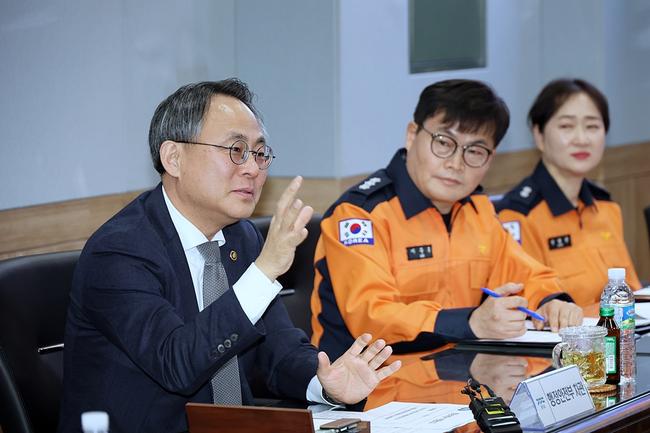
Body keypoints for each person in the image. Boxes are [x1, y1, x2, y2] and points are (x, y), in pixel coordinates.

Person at [58, 79, 401, 433]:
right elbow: (176, 363)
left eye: (259, 153)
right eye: (236, 150)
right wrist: (263, 272)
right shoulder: (119, 251)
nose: (253, 168)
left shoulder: (241, 235)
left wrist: (324, 384)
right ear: (174, 158)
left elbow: (277, 349)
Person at [310, 79, 583, 360]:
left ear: (490, 159)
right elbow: (371, 317)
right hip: (368, 380)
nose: (455, 163)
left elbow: (524, 275)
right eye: (443, 143)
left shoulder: (477, 210)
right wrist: (470, 323)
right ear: (412, 135)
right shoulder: (359, 215)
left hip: (458, 376)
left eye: (474, 151)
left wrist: (552, 302)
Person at [496, 79, 641, 306]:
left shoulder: (606, 206)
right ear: (539, 135)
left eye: (592, 126)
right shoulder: (518, 215)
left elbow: (631, 292)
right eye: (566, 126)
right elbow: (531, 308)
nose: (582, 139)